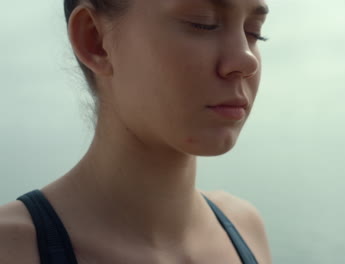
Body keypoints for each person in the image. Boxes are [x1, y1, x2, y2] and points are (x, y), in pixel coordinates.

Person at [0, 0, 272, 263]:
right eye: (203, 23)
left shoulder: (246, 227)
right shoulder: (11, 249)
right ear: (95, 40)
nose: (247, 61)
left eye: (254, 33)